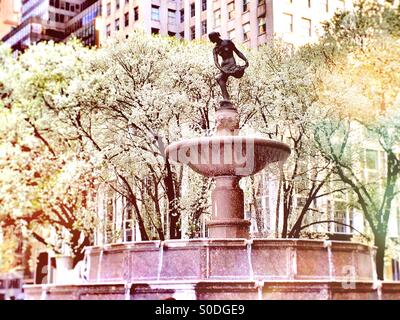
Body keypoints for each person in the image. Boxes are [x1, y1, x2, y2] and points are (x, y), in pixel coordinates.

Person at [208, 31, 249, 101]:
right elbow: (216, 61)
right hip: (224, 66)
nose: (210, 41)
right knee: (219, 78)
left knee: (238, 73)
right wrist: (221, 69)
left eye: (211, 39)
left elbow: (237, 52)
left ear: (215, 37)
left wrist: (245, 60)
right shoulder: (215, 49)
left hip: (231, 63)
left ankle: (239, 69)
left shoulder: (227, 42)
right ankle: (226, 99)